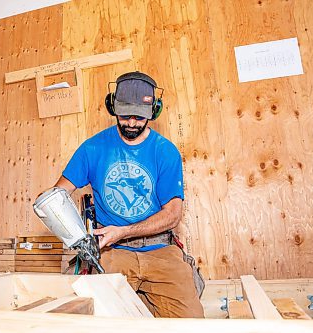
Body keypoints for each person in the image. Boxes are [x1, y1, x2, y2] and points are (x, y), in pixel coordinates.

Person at [54, 71, 204, 318]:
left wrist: (123, 231)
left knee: (191, 323)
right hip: (113, 251)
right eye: (125, 116)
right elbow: (57, 196)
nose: (132, 123)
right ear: (112, 106)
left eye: (139, 117)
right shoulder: (92, 148)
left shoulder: (165, 152)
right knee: (101, 320)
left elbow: (172, 215)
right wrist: (71, 228)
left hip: (160, 249)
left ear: (153, 111)